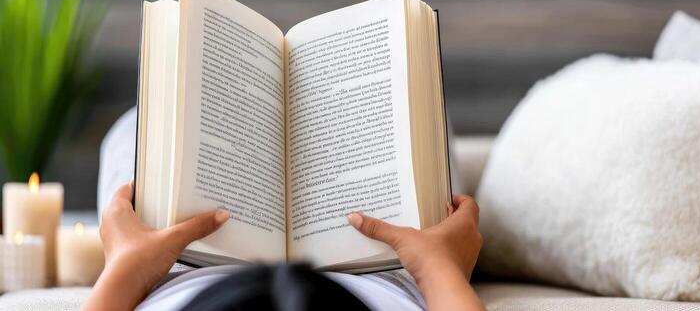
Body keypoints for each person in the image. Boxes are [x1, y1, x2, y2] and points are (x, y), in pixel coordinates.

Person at [81, 182, 485, 311]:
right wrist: (439, 267)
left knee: (136, 126)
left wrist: (126, 267)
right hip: (387, 269)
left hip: (183, 267)